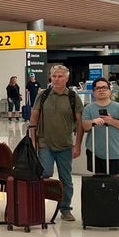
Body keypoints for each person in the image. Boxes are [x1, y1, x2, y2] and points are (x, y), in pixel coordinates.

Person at [29, 64, 83, 222]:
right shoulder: (43, 95)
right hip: (45, 143)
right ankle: (38, 205)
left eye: (60, 76)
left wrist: (77, 145)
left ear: (66, 78)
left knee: (66, 179)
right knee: (44, 174)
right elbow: (34, 119)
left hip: (65, 145)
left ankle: (65, 209)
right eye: (54, 76)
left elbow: (80, 124)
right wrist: (33, 142)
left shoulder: (73, 97)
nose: (57, 79)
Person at [75, 77, 119, 225]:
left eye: (104, 88)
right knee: (98, 180)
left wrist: (110, 121)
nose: (101, 90)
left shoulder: (118, 108)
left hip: (113, 151)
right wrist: (93, 121)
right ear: (93, 92)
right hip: (95, 151)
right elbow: (85, 126)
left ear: (109, 90)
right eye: (98, 88)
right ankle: (98, 210)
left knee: (115, 181)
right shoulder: (88, 109)